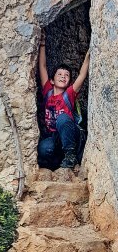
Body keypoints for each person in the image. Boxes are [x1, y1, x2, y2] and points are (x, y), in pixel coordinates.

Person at [37, 30, 90, 170]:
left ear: (69, 82)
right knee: (44, 148)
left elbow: (82, 75)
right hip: (56, 138)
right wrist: (42, 45)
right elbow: (42, 66)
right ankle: (58, 162)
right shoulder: (47, 92)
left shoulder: (69, 94)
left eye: (66, 75)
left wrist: (88, 56)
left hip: (72, 135)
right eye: (59, 74)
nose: (63, 76)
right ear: (52, 80)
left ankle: (71, 156)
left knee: (62, 118)